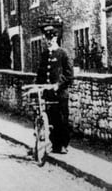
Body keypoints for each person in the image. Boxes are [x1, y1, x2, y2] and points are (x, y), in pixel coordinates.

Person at [35, 24, 73, 154]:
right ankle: (54, 144)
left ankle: (62, 145)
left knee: (62, 120)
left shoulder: (63, 54)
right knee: (51, 119)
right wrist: (37, 87)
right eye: (47, 38)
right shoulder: (44, 55)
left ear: (56, 38)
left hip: (60, 93)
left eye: (51, 38)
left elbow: (69, 75)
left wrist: (58, 84)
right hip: (48, 94)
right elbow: (40, 74)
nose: (49, 41)